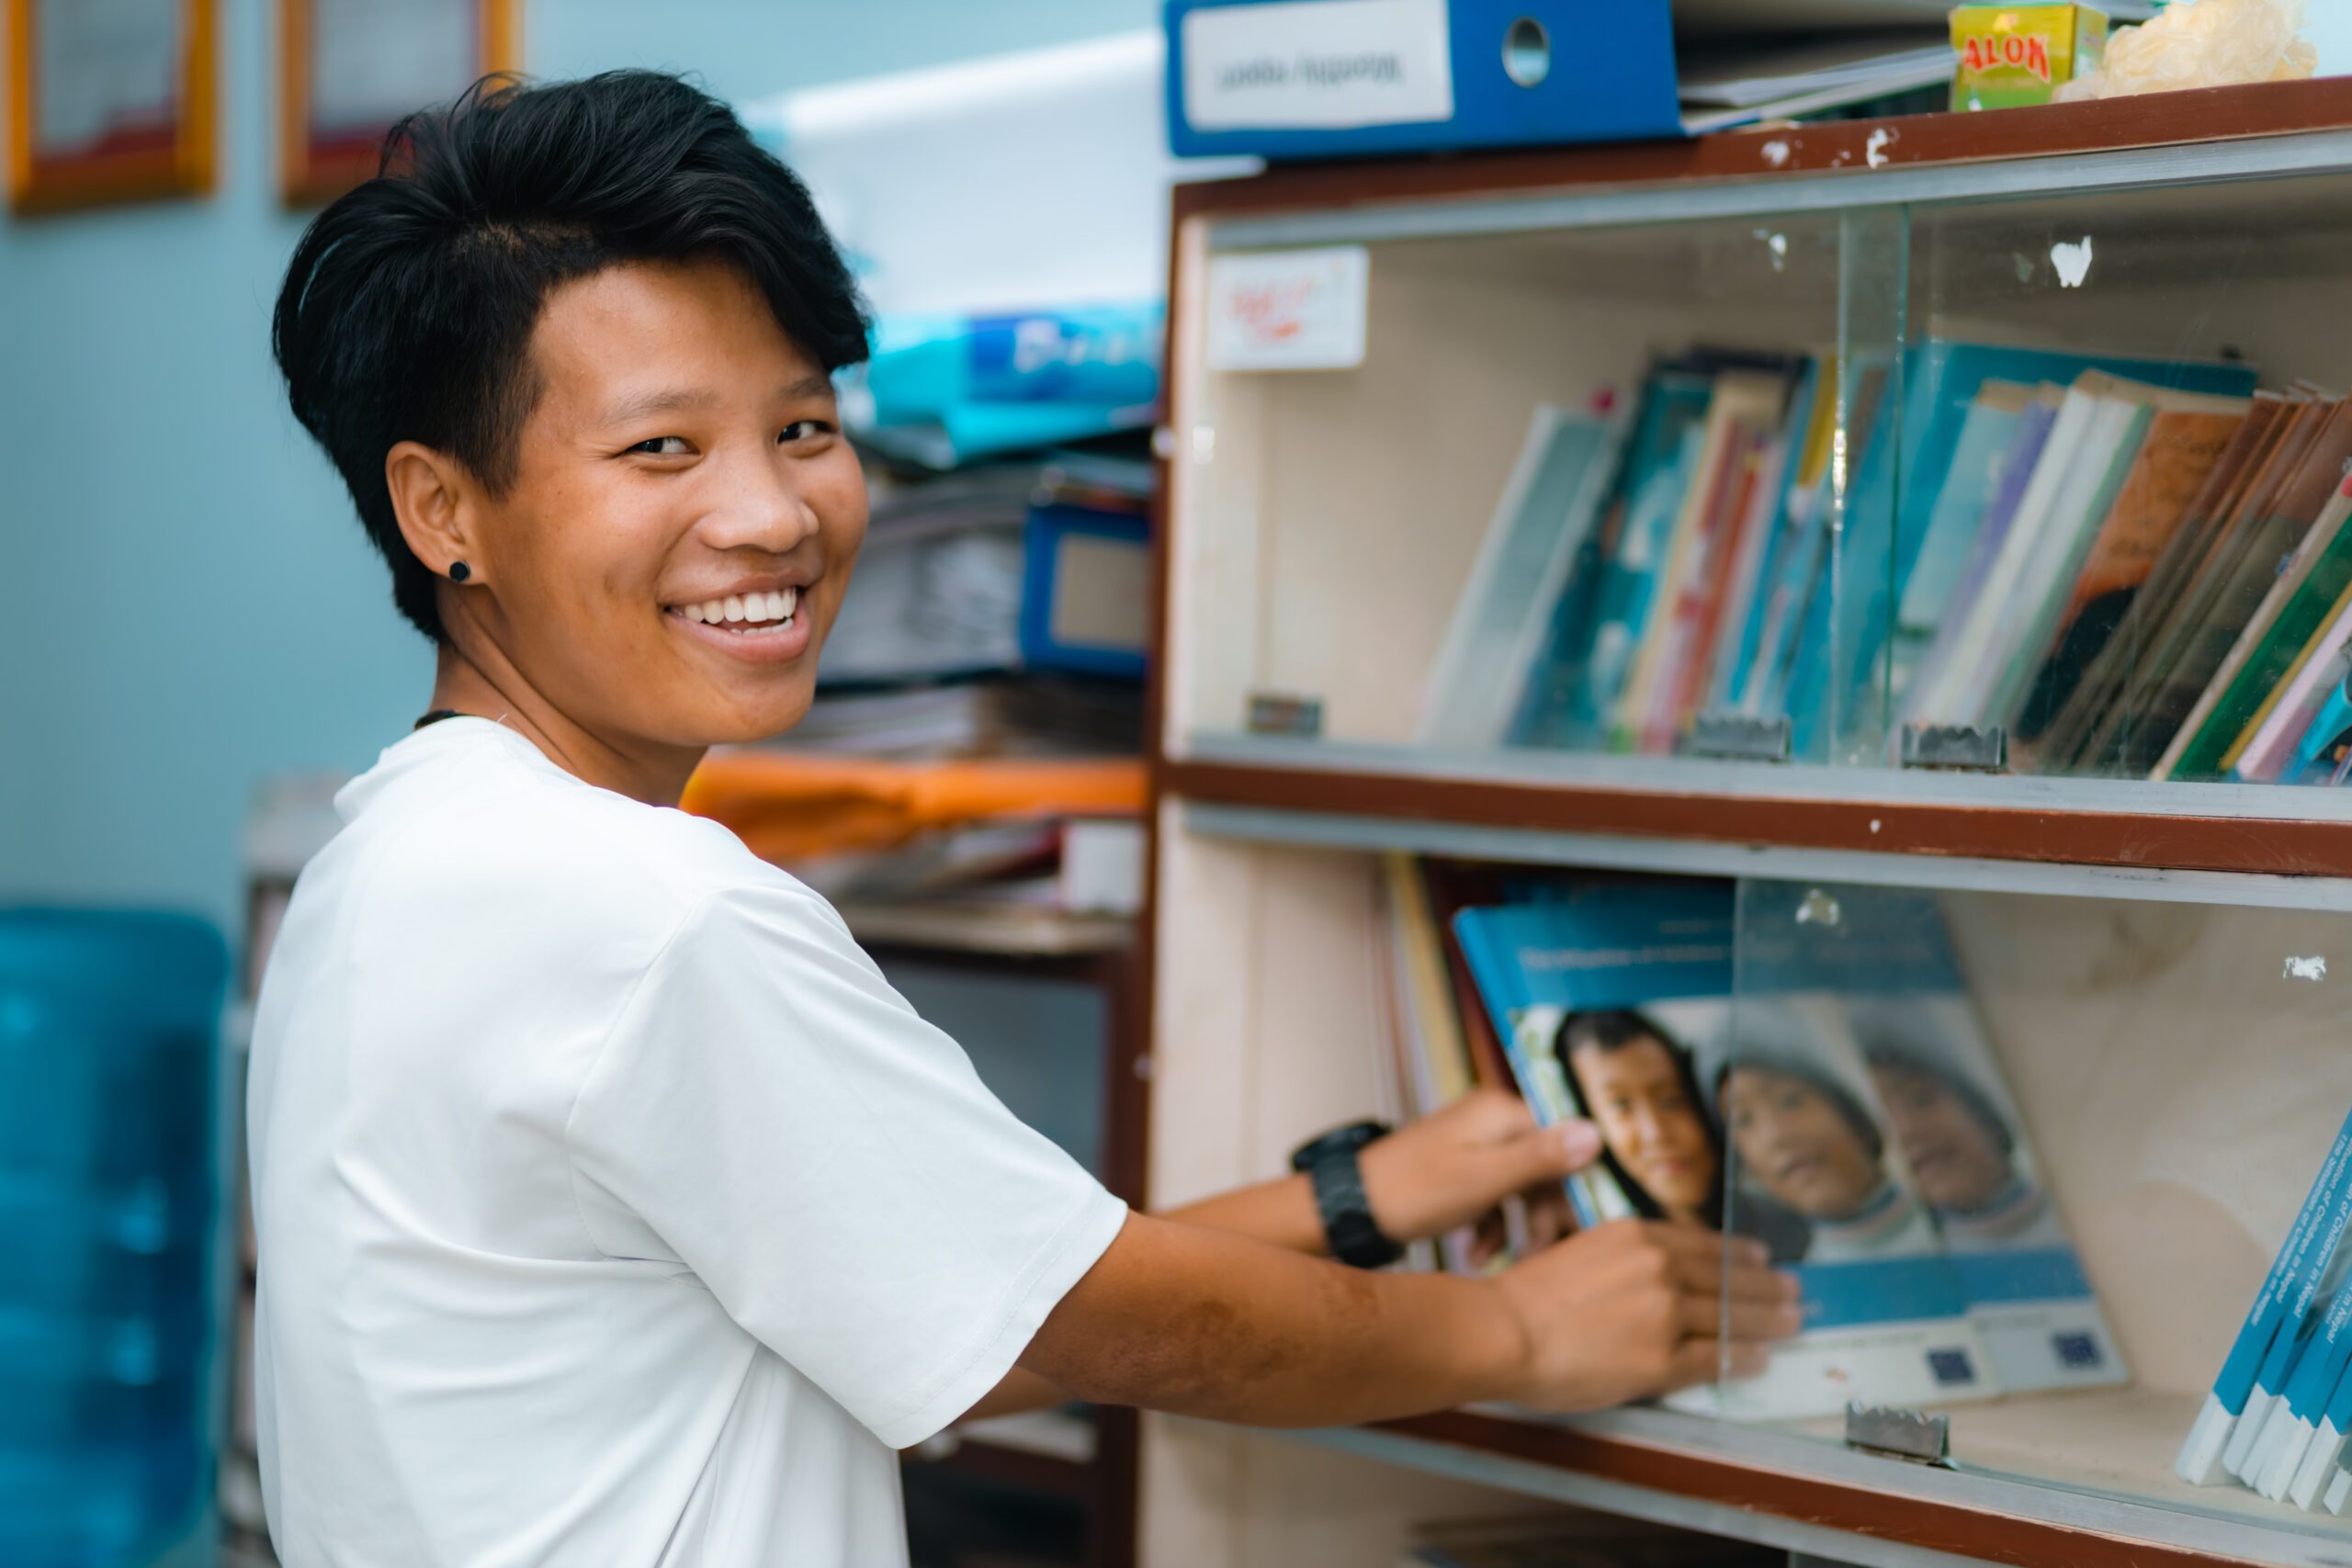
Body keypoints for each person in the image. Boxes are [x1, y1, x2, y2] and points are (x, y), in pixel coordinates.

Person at [245, 70, 1797, 1566]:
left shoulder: (392, 858)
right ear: (444, 508)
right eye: (663, 448)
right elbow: (1096, 1322)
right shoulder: (653, 917)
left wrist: (1354, 1199)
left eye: (800, 427)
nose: (774, 513)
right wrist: (1517, 1327)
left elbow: (962, 1313)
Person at [1558, 1010, 1807, 1262]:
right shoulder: (1611, 1257)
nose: (1655, 1133)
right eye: (1620, 1106)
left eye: (1670, 1101)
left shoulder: (1792, 1225)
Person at [1716, 1051, 1937, 1264]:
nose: (1776, 1136)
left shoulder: (1954, 1232)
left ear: (1854, 1114)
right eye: (1743, 1120)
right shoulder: (1795, 1288)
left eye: (1791, 1101)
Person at [1861, 1038, 2068, 1253]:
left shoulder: (2077, 1218)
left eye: (1921, 1100)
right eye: (1882, 1121)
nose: (1905, 1132)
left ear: (1984, 1108)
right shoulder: (1910, 1264)